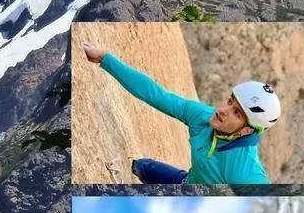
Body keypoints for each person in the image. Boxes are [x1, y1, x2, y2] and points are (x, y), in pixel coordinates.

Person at [81, 40, 279, 184]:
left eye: (236, 113)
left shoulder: (243, 172)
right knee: (141, 166)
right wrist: (104, 58)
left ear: (246, 131)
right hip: (186, 183)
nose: (223, 111)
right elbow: (157, 95)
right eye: (229, 102)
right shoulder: (204, 117)